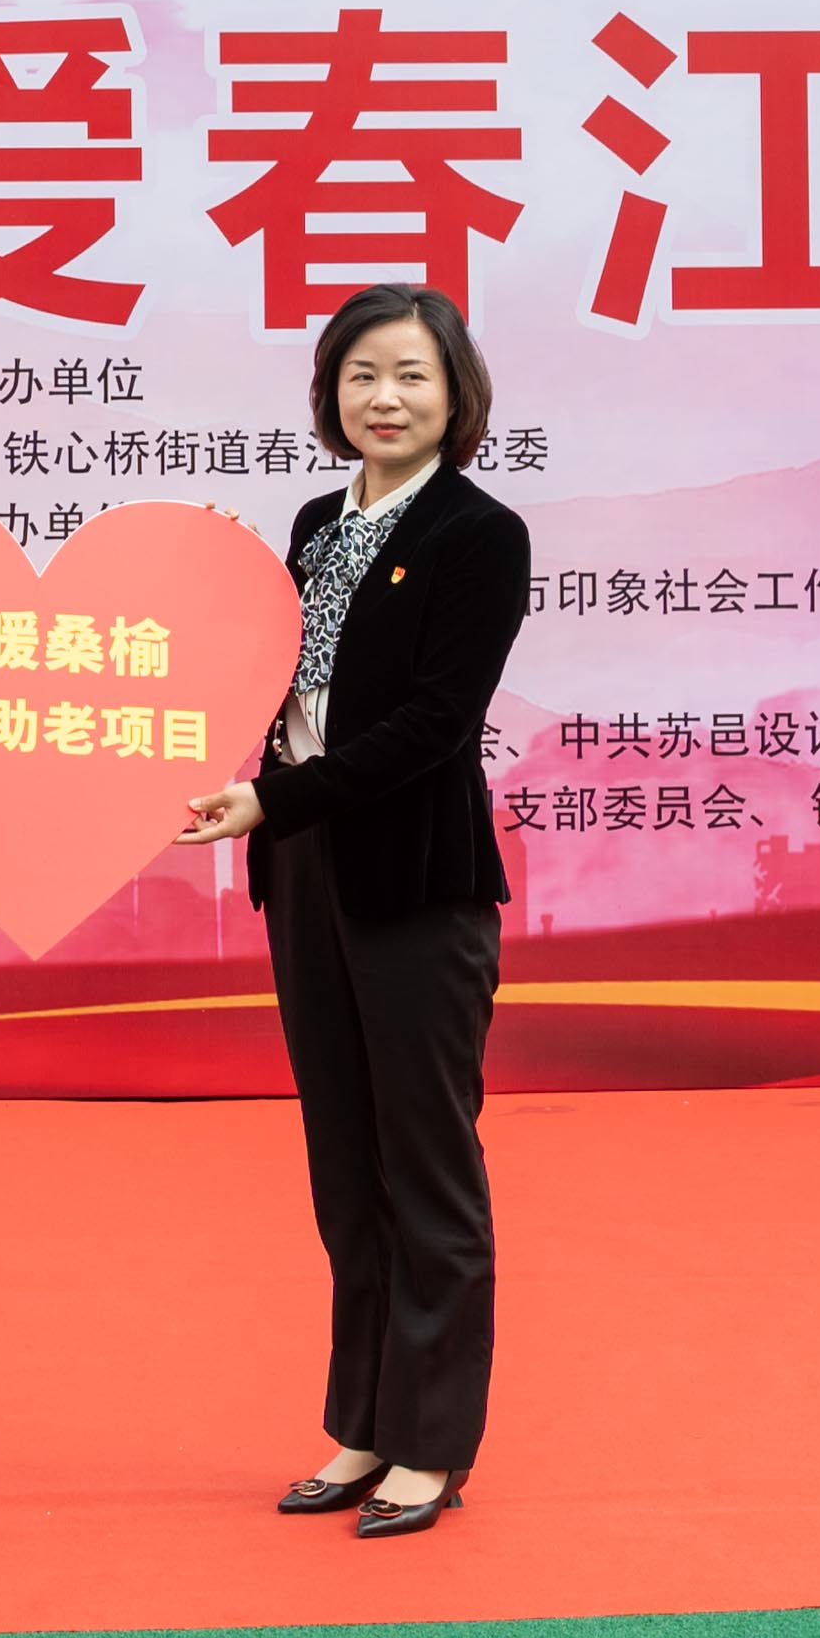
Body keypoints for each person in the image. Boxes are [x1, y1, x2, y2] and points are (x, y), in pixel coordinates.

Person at [177, 284, 528, 1540]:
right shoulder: (317, 524)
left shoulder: (479, 533)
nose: (384, 397)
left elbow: (434, 723)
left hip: (414, 879)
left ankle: (432, 1443)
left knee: (424, 1163)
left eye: (411, 375)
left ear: (455, 393)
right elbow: (269, 680)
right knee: (344, 1163)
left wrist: (274, 800)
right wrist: (222, 583)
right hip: (306, 870)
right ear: (330, 392)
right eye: (360, 374)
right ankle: (365, 1423)